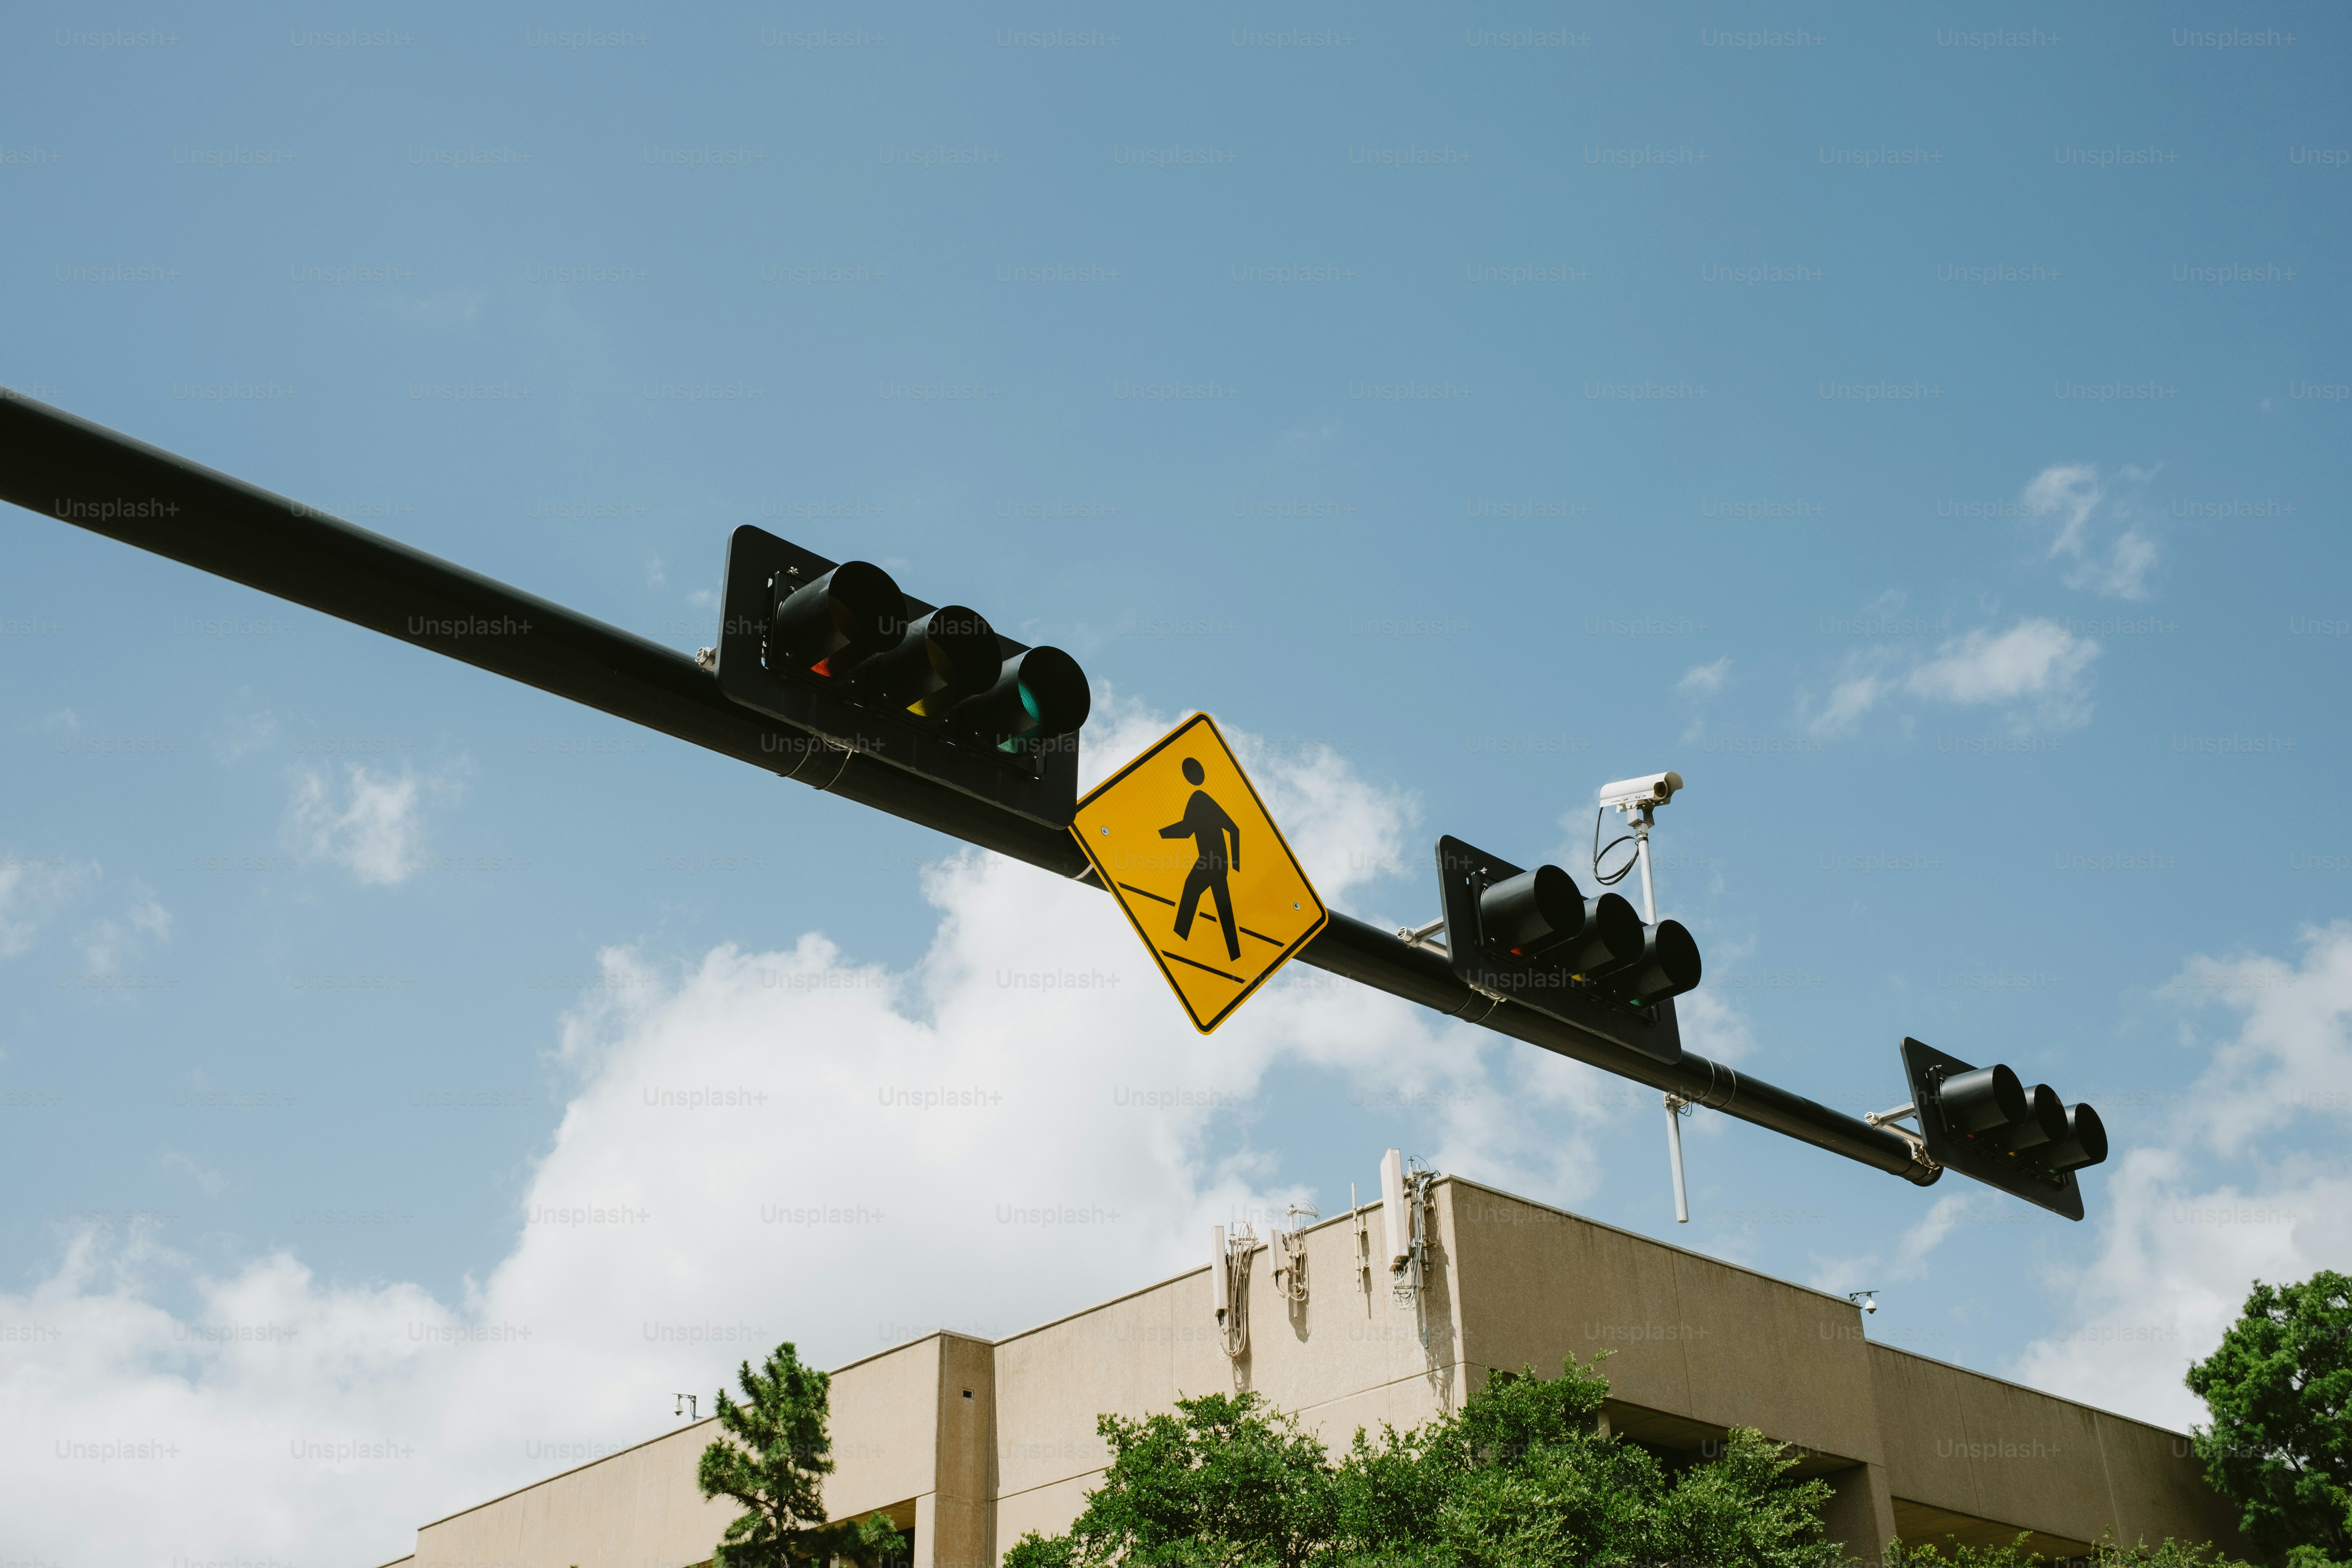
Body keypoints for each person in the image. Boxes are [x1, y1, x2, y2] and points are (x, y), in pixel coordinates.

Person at [1158, 758, 1242, 961]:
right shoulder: (1201, 799)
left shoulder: (1200, 799)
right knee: (1222, 906)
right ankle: (1235, 954)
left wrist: (1159, 833)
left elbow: (1188, 830)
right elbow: (1192, 830)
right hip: (1214, 861)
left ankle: (1179, 941)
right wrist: (1233, 864)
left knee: (1197, 893)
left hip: (1212, 861)